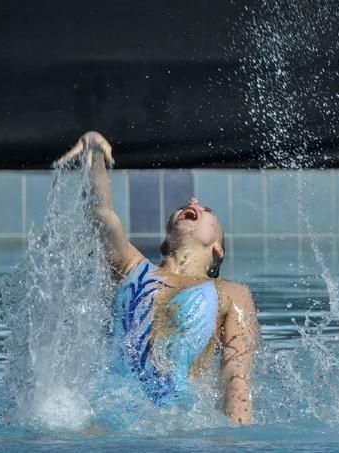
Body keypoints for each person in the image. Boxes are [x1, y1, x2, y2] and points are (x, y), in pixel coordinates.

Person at [57, 131, 258, 424]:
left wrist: (237, 440)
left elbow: (235, 376)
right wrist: (95, 152)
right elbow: (100, 213)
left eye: (208, 210)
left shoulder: (229, 293)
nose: (193, 200)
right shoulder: (131, 267)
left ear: (218, 250)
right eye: (187, 206)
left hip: (178, 423)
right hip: (104, 419)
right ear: (165, 242)